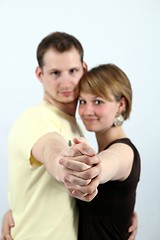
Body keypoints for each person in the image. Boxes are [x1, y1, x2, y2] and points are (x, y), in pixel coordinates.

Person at [1, 32, 138, 240]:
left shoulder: (76, 126)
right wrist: (68, 167)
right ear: (40, 75)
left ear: (84, 69)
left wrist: (123, 212)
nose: (66, 82)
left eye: (72, 71)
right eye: (55, 73)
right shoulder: (35, 118)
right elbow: (51, 151)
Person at [59, 63, 141, 239]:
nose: (87, 111)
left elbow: (110, 162)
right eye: (83, 101)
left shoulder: (124, 151)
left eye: (98, 101)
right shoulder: (103, 148)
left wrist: (94, 169)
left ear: (120, 105)